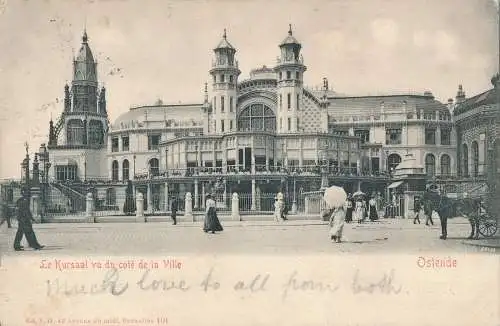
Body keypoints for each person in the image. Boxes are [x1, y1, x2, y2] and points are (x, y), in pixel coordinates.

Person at [14, 187, 44, 251]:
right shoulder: (23, 200)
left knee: (20, 232)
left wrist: (31, 218)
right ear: (23, 193)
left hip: (22, 219)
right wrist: (30, 218)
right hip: (24, 219)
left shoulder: (21, 200)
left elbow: (25, 210)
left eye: (28, 192)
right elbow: (25, 211)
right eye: (26, 192)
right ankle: (35, 245)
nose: (28, 194)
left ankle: (17, 245)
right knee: (29, 232)